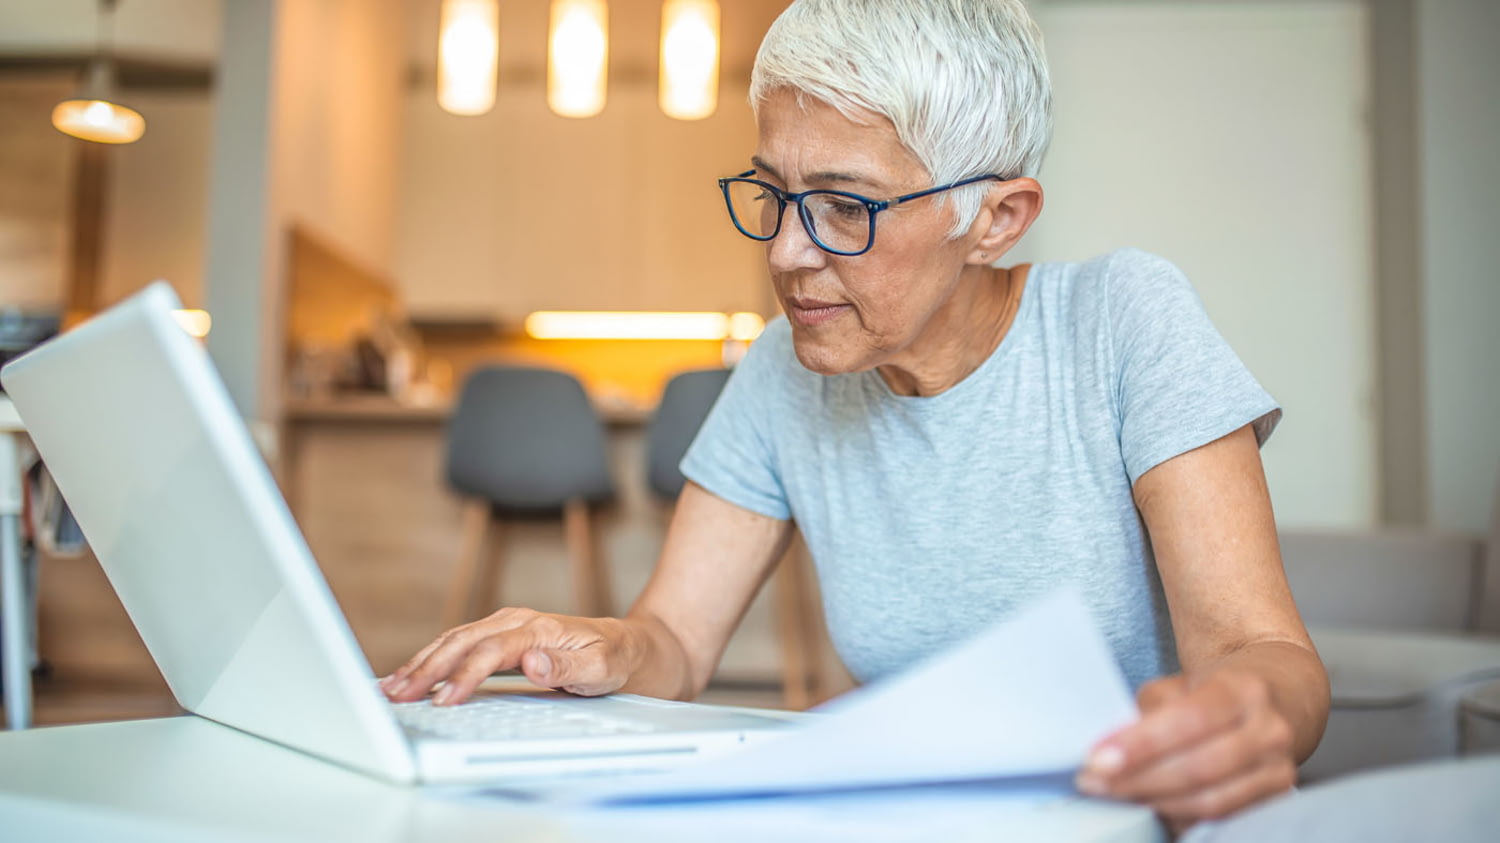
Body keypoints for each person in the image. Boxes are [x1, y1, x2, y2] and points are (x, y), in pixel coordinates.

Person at [383, 0, 1329, 830]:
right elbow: (673, 639)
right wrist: (595, 647)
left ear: (996, 217)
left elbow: (1263, 650)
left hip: (1127, 813)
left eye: (845, 206)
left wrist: (1241, 711)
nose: (789, 252)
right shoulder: (783, 369)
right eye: (775, 194)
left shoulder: (1122, 320)